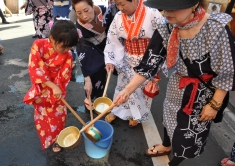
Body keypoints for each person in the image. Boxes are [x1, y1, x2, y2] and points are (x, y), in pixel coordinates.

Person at [113, 0, 235, 165]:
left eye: (174, 7)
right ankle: (166, 145)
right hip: (177, 85)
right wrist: (127, 90)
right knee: (168, 119)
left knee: (188, 134)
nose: (167, 12)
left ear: (193, 5)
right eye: (164, 7)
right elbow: (150, 63)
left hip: (202, 96)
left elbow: (227, 72)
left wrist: (214, 104)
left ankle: (174, 162)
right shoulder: (168, 26)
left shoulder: (215, 28)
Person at [103, 0, 163, 127]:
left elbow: (164, 36)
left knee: (139, 91)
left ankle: (135, 115)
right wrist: (110, 60)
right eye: (117, 5)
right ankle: (116, 110)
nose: (120, 8)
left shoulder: (152, 12)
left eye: (122, 4)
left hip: (147, 60)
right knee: (122, 87)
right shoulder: (119, 16)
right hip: (127, 58)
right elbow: (112, 38)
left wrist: (159, 63)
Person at [23, 19, 79, 152]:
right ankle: (47, 137)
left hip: (58, 88)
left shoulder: (68, 55)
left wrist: (56, 88)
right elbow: (35, 68)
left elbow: (64, 75)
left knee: (58, 117)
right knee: (42, 116)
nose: (66, 50)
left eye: (69, 47)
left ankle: (57, 140)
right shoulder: (38, 45)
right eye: (63, 46)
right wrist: (50, 87)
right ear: (52, 38)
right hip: (41, 86)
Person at [71, 0, 109, 109]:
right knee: (92, 71)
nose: (84, 16)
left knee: (104, 72)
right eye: (79, 13)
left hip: (107, 44)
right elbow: (82, 50)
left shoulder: (105, 11)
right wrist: (87, 79)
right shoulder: (79, 27)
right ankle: (90, 97)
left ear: (92, 5)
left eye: (86, 10)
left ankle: (101, 94)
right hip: (90, 50)